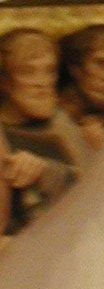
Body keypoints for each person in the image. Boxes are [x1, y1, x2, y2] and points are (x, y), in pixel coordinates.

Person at [0, 27, 80, 230]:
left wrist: (46, 172)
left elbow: (98, 191)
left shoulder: (62, 125)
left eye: (50, 71)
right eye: (28, 72)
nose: (42, 83)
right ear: (4, 80)